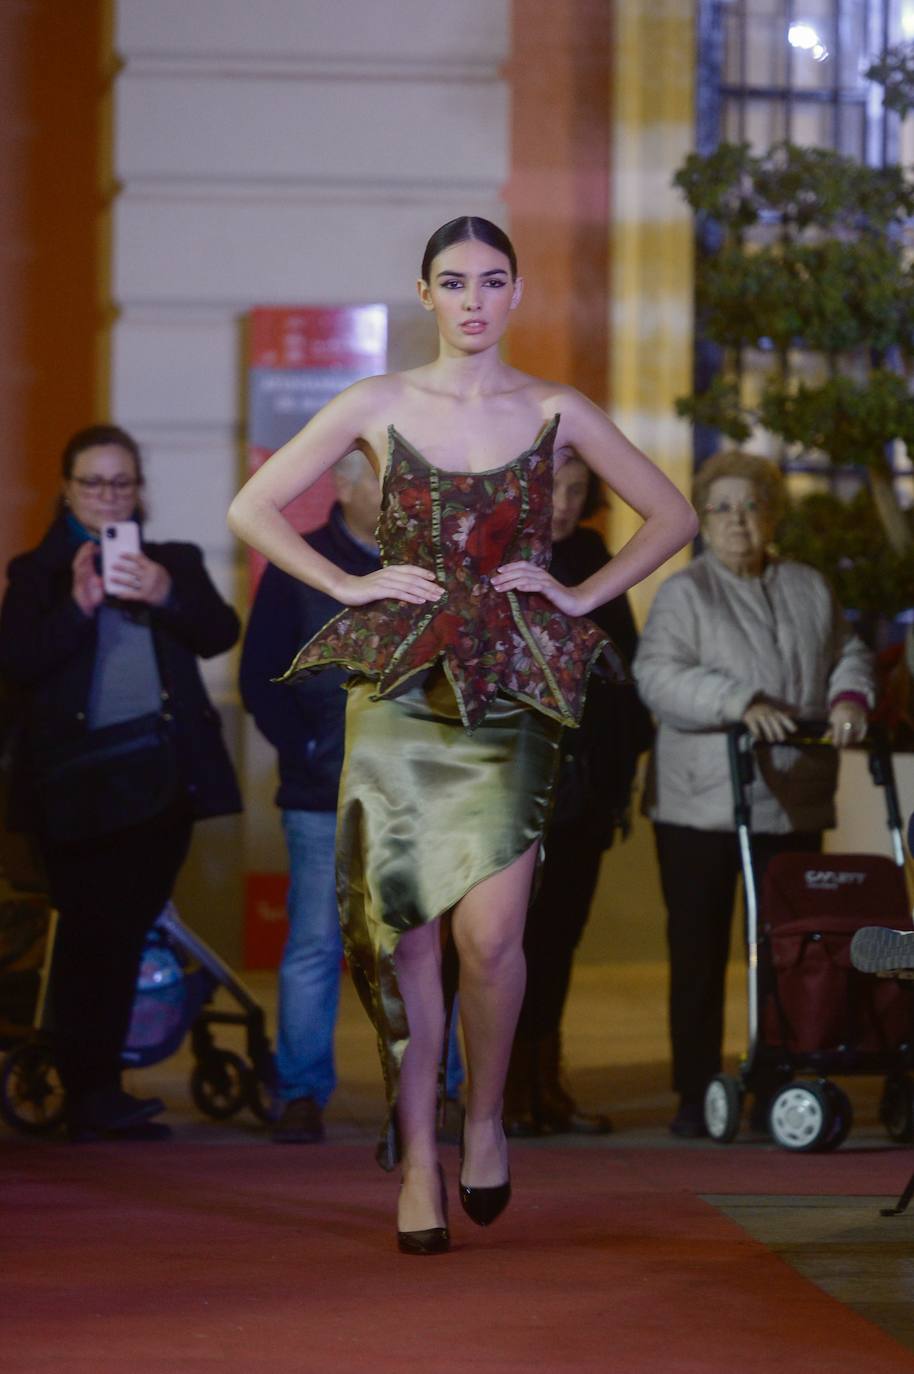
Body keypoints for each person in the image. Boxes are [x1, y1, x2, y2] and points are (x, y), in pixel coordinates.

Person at [228, 216, 697, 1255]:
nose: (473, 300)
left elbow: (672, 515)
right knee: (410, 941)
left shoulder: (557, 409)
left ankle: (483, 1118)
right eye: (453, 281)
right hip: (399, 698)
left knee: (490, 940)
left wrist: (579, 595)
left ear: (515, 293)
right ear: (425, 293)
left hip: (509, 701)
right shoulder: (376, 403)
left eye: (491, 281)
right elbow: (253, 507)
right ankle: (416, 1155)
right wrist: (348, 582)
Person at [0, 424, 241, 1141]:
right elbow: (17, 663)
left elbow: (219, 632)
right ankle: (89, 1089)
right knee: (86, 936)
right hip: (72, 788)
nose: (108, 496)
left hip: (161, 785)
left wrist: (167, 595)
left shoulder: (173, 561)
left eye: (121, 482)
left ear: (139, 489)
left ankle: (96, 1085)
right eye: (93, 482)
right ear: (67, 489)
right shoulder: (36, 574)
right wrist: (77, 608)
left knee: (126, 930)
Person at [633, 450, 874, 1139]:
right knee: (699, 951)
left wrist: (850, 695)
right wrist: (738, 700)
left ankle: (774, 1079)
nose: (738, 520)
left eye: (752, 506)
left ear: (773, 516)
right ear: (703, 519)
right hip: (701, 806)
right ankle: (694, 1090)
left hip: (792, 799)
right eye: (722, 507)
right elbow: (657, 675)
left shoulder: (808, 586)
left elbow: (848, 651)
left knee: (786, 951)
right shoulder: (686, 593)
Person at [239, 452, 464, 1144]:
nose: (405, 497)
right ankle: (300, 1092)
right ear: (342, 484)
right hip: (322, 789)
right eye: (387, 480)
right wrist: (306, 748)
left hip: (422, 787)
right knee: (315, 943)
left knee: (426, 944)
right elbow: (259, 676)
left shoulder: (432, 564)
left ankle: (439, 1088)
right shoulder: (300, 564)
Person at [504, 452, 652, 1137]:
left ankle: (545, 1083)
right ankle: (501, 1089)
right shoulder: (497, 559)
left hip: (584, 787)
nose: (561, 503)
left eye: (574, 490)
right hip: (509, 787)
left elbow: (625, 676)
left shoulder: (595, 559)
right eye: (550, 488)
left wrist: (618, 777)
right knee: (506, 943)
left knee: (561, 938)